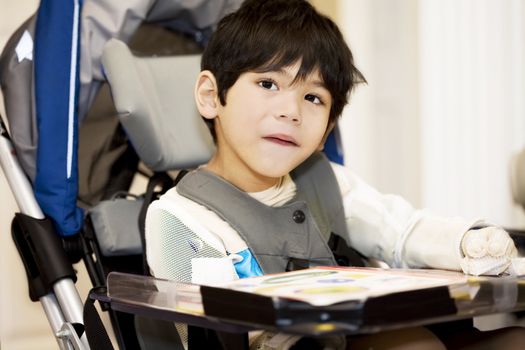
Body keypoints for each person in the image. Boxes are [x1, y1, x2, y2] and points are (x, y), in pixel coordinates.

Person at [145, 0, 524, 348]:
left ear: (325, 132)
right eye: (268, 83)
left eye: (313, 98)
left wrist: (465, 244)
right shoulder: (179, 219)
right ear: (212, 96)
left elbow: (400, 232)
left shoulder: (325, 181)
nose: (291, 111)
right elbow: (219, 333)